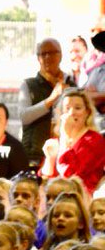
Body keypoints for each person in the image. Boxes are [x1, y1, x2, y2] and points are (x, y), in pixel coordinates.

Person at [19, 38, 76, 167]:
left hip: (65, 155)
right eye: (43, 54)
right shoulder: (29, 85)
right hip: (35, 156)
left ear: (60, 55)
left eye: (52, 53)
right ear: (38, 58)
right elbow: (24, 117)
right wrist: (51, 99)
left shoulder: (71, 84)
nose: (47, 57)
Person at [40, 89, 105, 192]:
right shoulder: (57, 141)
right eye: (67, 108)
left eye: (77, 108)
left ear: (87, 112)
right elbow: (45, 181)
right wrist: (50, 159)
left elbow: (72, 177)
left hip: (81, 200)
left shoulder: (94, 139)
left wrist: (66, 137)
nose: (71, 113)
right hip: (56, 199)